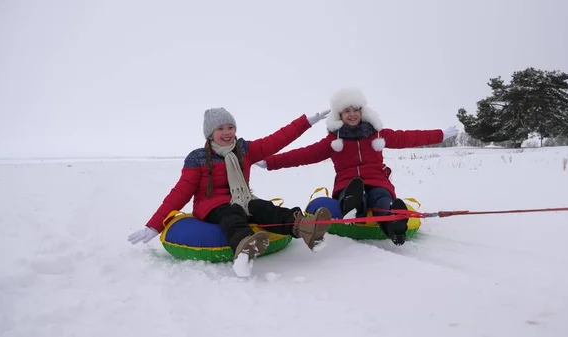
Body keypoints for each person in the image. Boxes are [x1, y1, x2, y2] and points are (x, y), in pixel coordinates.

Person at [127, 107, 333, 276]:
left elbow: (277, 140)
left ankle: (305, 228)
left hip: (243, 198)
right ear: (210, 134)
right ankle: (244, 249)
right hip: (212, 206)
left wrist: (306, 122)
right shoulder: (197, 158)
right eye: (221, 128)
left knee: (264, 207)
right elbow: (180, 192)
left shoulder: (244, 150)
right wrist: (154, 226)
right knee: (231, 214)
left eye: (230, 127)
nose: (227, 132)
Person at [255, 87, 458, 246]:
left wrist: (439, 135)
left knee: (382, 199)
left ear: (362, 111)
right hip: (348, 184)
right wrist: (270, 161)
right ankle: (351, 207)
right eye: (346, 111)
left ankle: (394, 225)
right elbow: (303, 154)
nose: (352, 114)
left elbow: (409, 137)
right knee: (354, 191)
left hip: (378, 181)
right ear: (339, 115)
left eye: (355, 110)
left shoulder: (378, 135)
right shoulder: (333, 141)